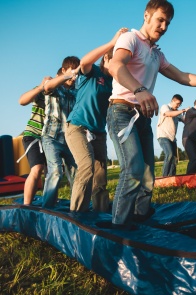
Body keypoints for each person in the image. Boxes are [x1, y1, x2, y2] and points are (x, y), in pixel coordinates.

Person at [107, 0, 196, 229]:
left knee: (147, 176)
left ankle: (141, 217)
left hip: (143, 117)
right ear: (146, 16)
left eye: (168, 23)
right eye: (160, 20)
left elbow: (183, 76)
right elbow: (115, 66)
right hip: (122, 111)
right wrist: (140, 90)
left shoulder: (156, 54)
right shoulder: (131, 39)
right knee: (132, 169)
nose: (163, 27)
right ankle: (119, 226)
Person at [65, 28, 128, 213]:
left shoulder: (115, 83)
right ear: (107, 59)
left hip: (98, 132)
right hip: (77, 127)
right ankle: (77, 216)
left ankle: (100, 215)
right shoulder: (92, 73)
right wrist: (112, 42)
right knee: (86, 167)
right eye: (114, 60)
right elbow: (84, 61)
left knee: (100, 175)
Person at [42, 56, 80, 208]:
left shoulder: (76, 92)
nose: (74, 76)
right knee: (56, 170)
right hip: (51, 137)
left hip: (69, 139)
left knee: (77, 173)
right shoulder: (54, 87)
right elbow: (47, 87)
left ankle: (76, 207)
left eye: (77, 72)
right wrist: (66, 76)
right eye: (72, 71)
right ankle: (47, 208)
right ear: (64, 70)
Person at [18, 76, 51, 205]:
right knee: (37, 168)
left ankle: (49, 202)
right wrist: (40, 87)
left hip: (49, 138)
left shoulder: (60, 96)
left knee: (52, 172)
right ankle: (27, 205)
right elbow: (22, 101)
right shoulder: (40, 93)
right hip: (33, 135)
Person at [156, 94, 189, 176]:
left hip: (172, 138)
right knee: (169, 154)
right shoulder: (165, 107)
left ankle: (172, 178)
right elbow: (169, 114)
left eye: (180, 104)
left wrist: (191, 113)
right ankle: (164, 177)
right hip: (163, 136)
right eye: (177, 104)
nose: (178, 106)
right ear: (172, 101)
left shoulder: (177, 112)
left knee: (174, 158)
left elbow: (186, 121)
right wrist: (183, 110)